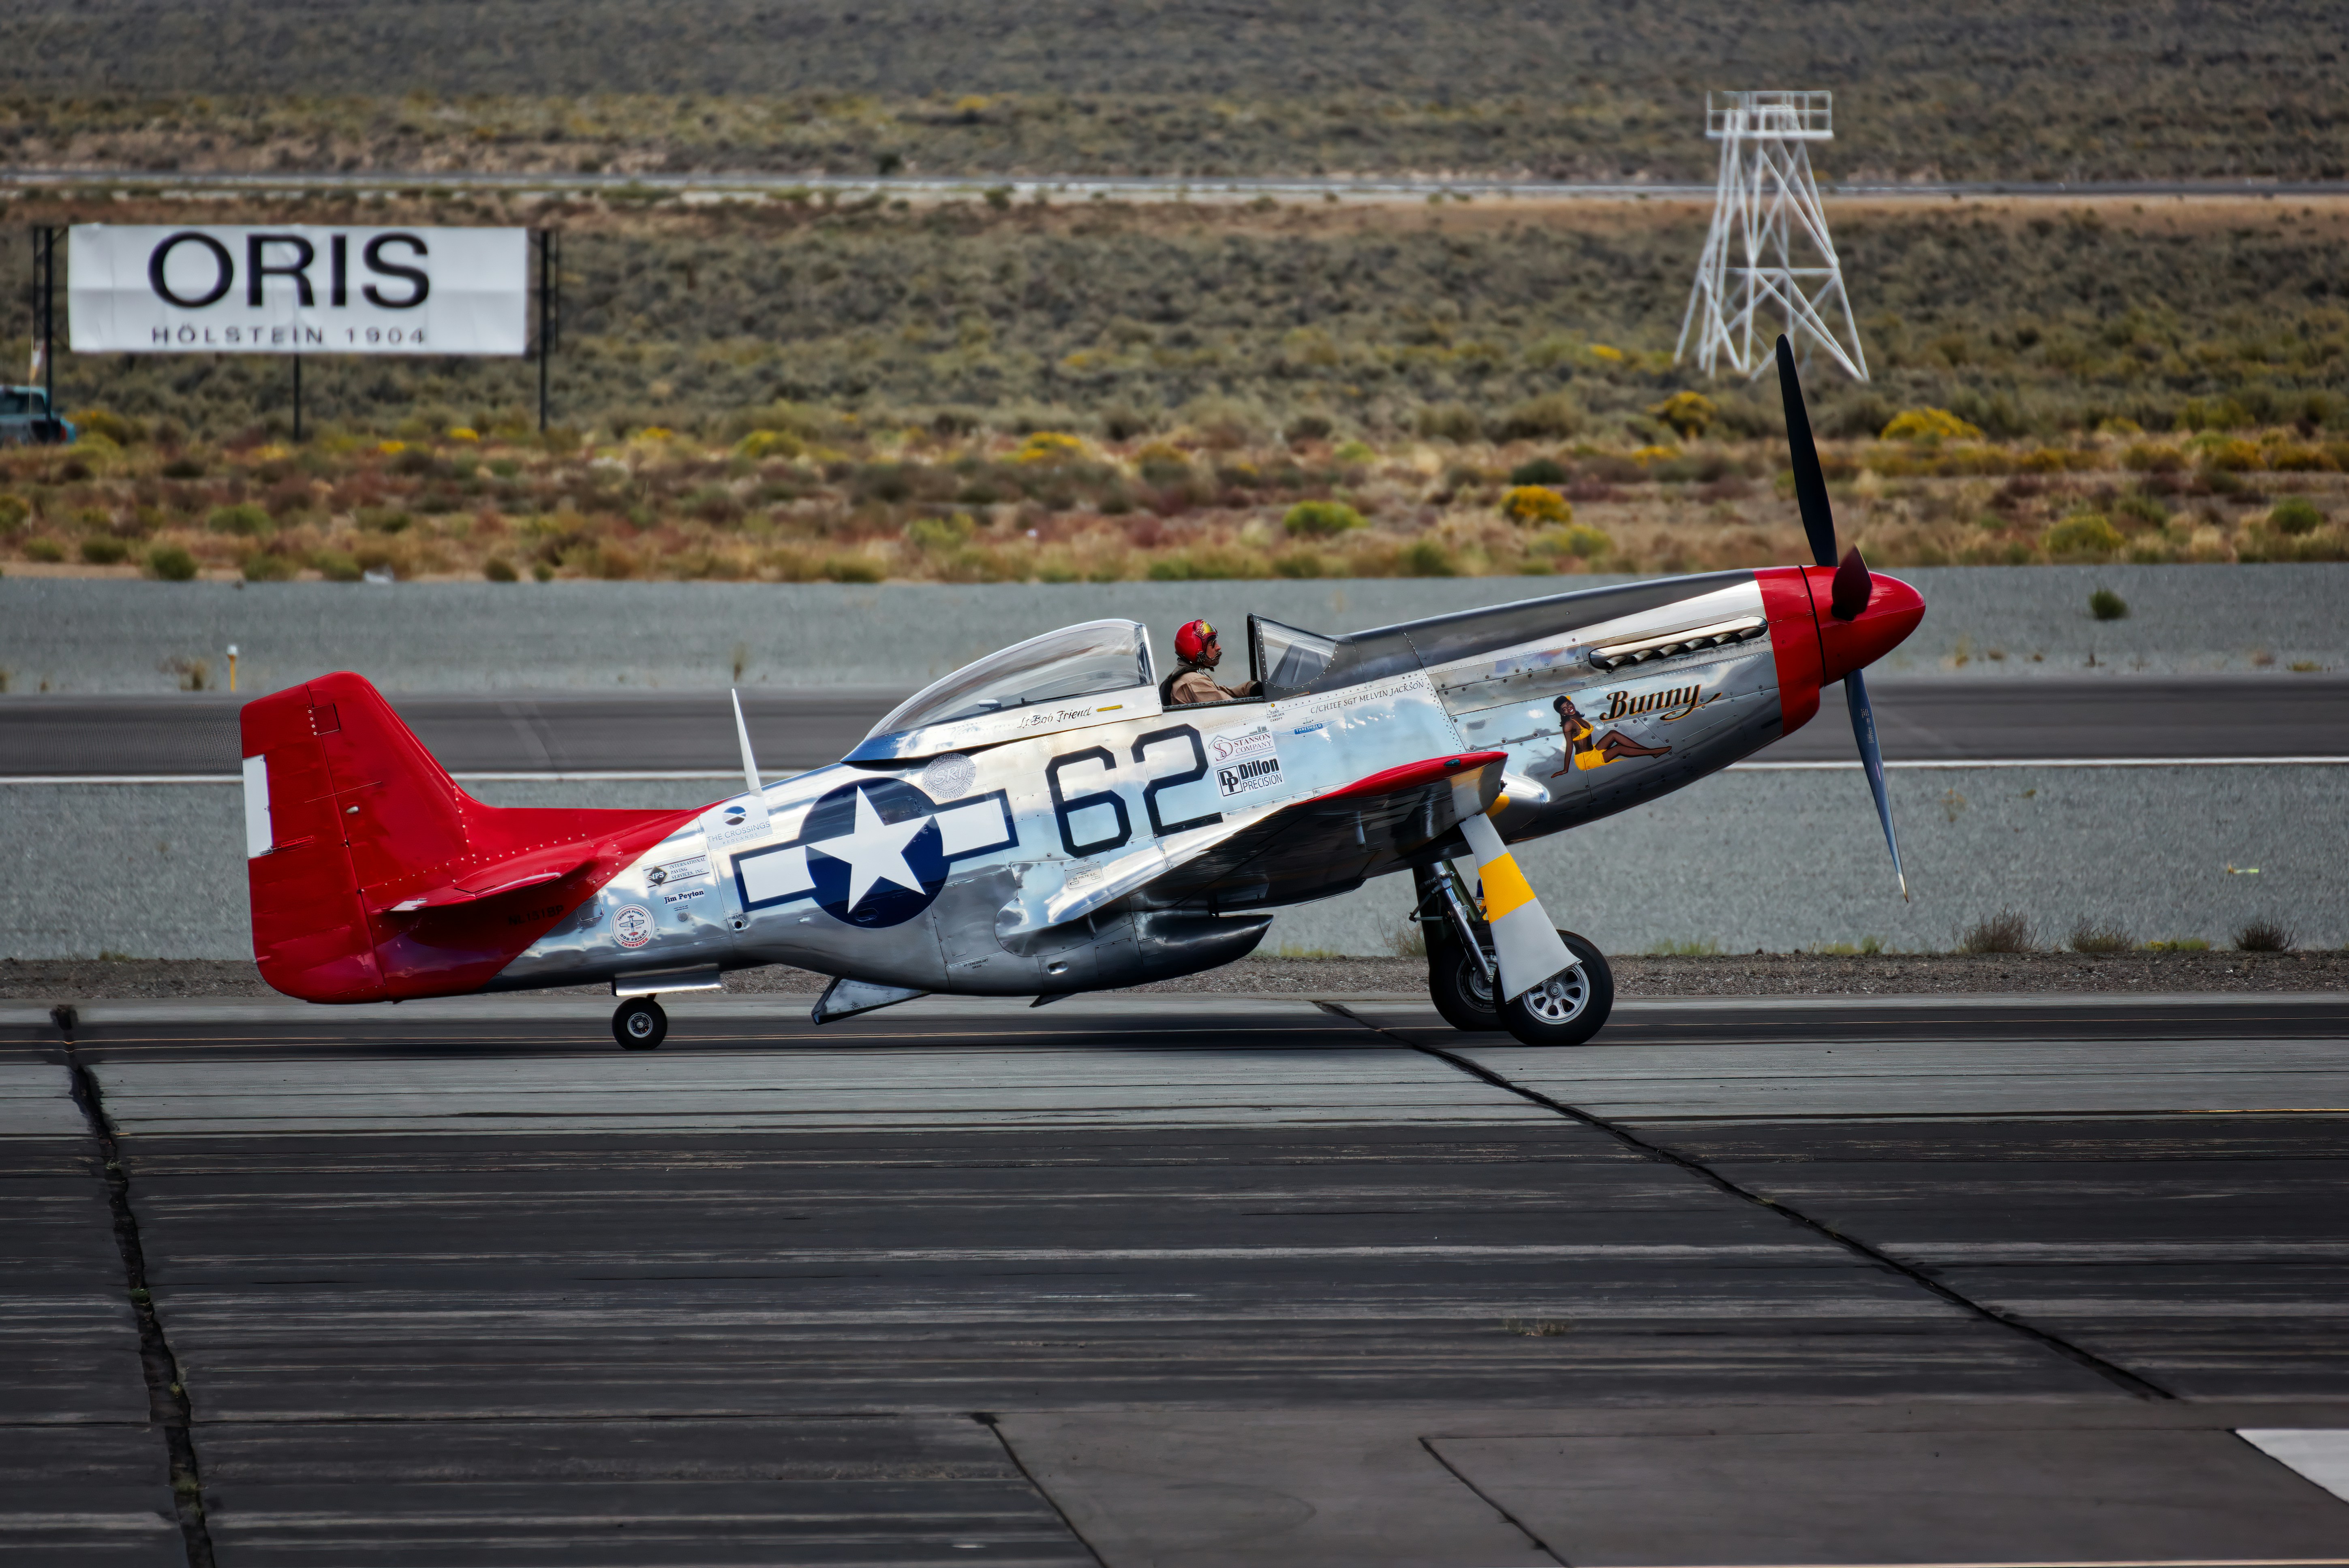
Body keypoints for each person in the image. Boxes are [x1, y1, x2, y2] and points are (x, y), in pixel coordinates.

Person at [1551, 693, 1671, 776]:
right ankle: (1653, 752)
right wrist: (1565, 769)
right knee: (1619, 749)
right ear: (1563, 714)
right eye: (1564, 709)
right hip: (1586, 760)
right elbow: (1570, 747)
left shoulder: (1576, 716)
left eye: (1568, 704)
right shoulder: (1569, 725)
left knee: (1613, 734)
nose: (1569, 708)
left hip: (1593, 751)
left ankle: (1652, 752)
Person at [1163, 619, 1260, 705]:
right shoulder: (1194, 681)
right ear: (1197, 650)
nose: (1218, 647)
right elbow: (1231, 708)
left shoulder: (1185, 675)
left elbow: (1222, 691)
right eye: (1213, 644)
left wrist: (1251, 688)